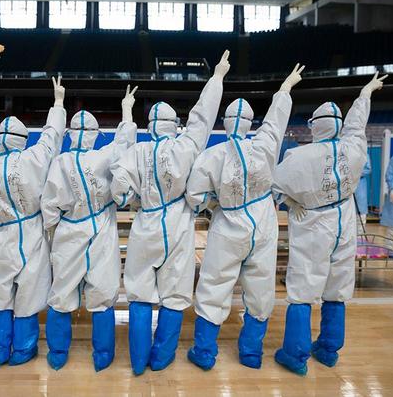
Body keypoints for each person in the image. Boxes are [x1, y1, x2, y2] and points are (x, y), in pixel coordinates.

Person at [110, 50, 231, 375]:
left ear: (150, 127)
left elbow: (119, 191)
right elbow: (202, 117)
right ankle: (161, 360)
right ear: (174, 125)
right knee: (174, 295)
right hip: (178, 227)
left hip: (145, 225)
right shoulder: (186, 145)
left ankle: (137, 363)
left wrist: (134, 197)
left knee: (138, 292)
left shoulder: (138, 150)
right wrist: (216, 77)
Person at [185, 64, 305, 371]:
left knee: (214, 284)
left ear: (224, 124)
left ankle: (204, 352)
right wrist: (286, 88)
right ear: (251, 124)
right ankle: (251, 353)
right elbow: (276, 121)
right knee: (261, 286)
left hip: (228, 223)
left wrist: (214, 204)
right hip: (263, 221)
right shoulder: (264, 145)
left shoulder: (211, 156)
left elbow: (195, 197)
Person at [272, 72, 387, 376]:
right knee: (337, 287)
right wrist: (365, 94)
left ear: (315, 126)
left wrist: (292, 202)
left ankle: (295, 356)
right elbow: (356, 125)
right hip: (344, 222)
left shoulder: (298, 156)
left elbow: (274, 188)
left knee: (303, 287)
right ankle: (328, 350)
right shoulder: (355, 149)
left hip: (313, 225)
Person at [41, 85, 139, 372]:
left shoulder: (59, 162)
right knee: (103, 292)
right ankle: (103, 355)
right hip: (101, 229)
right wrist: (127, 108)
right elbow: (125, 141)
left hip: (68, 232)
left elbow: (49, 205)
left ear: (70, 134)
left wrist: (52, 232)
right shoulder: (106, 156)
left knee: (61, 293)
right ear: (96, 134)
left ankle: (58, 354)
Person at [0, 77, 67, 366]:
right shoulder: (35, 158)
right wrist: (58, 102)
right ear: (24, 141)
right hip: (32, 233)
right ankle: (24, 350)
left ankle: (0, 351)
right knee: (29, 292)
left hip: (2, 236)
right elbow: (51, 136)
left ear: (1, 140)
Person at [355, 158, 371, 234]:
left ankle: (360, 240)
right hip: (346, 183)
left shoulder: (363, 153)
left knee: (361, 212)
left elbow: (367, 169)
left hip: (359, 184)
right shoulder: (344, 151)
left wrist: (355, 174)